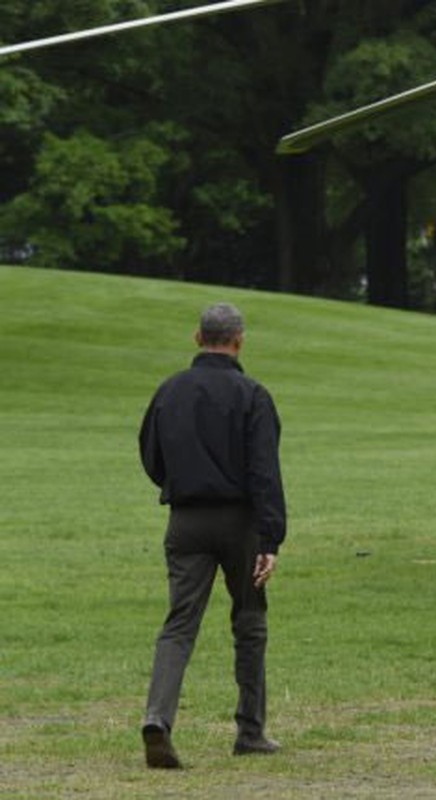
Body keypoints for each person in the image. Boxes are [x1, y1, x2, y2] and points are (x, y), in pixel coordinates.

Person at [138, 302, 287, 769]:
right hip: (240, 521)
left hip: (185, 520)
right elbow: (265, 472)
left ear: (197, 338)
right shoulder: (253, 395)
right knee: (249, 620)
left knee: (179, 624)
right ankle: (251, 730)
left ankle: (158, 718)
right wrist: (270, 539)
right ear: (239, 341)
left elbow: (150, 453)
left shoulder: (169, 391)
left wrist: (178, 485)